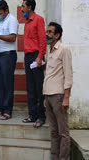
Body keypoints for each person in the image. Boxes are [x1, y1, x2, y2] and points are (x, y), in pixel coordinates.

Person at [43, 22, 72, 160]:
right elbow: (49, 74)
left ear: (57, 35)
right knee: (53, 132)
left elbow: (68, 74)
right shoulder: (49, 49)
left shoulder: (64, 49)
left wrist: (66, 97)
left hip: (59, 96)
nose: (47, 34)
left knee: (63, 133)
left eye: (50, 32)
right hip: (48, 96)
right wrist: (45, 97)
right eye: (47, 31)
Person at [0, 0, 19, 120]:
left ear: (6, 10)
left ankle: (8, 111)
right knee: (1, 83)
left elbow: (12, 37)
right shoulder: (1, 21)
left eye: (1, 13)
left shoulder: (12, 20)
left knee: (8, 84)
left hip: (8, 55)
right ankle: (2, 108)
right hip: (1, 55)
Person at [21, 0, 47, 128]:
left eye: (23, 6)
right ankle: (32, 115)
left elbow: (43, 41)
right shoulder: (27, 22)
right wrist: (26, 57)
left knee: (39, 88)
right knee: (30, 87)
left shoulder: (38, 20)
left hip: (36, 56)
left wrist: (40, 57)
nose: (22, 9)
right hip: (28, 57)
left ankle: (41, 117)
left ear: (30, 7)